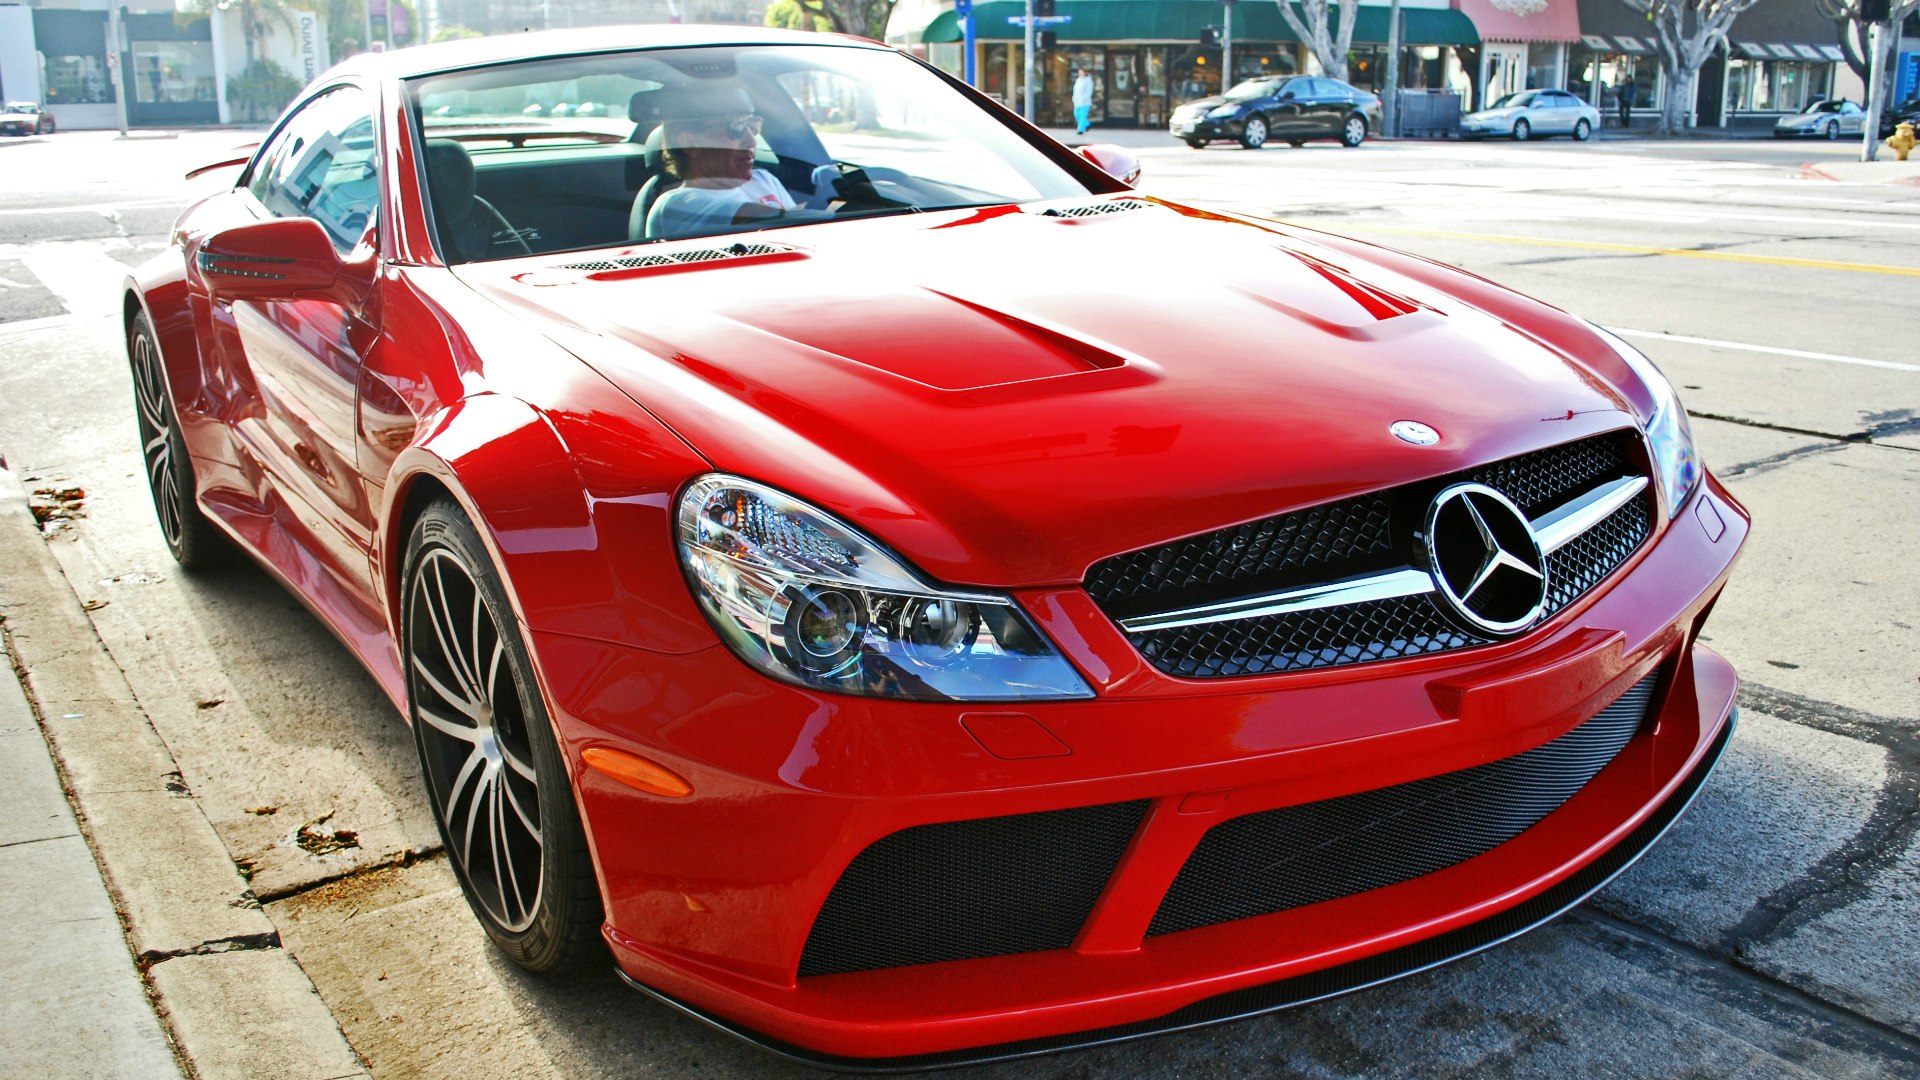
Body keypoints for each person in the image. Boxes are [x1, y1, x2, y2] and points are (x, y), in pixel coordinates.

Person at [646, 110, 835, 240]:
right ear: (689, 142)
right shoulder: (676, 205)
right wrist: (831, 201)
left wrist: (836, 197)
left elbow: (801, 229)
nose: (751, 140)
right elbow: (773, 220)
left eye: (752, 127)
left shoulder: (763, 179)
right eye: (735, 128)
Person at [1072, 67, 1095, 135]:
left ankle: (1080, 130)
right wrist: (1074, 98)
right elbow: (1075, 90)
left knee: (1082, 116)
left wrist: (1083, 99)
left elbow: (1089, 91)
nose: (1080, 74)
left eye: (1082, 72)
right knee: (1076, 114)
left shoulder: (1088, 80)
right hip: (1077, 102)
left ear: (1085, 73)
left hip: (1085, 102)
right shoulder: (1078, 80)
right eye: (1079, 73)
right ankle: (1087, 124)